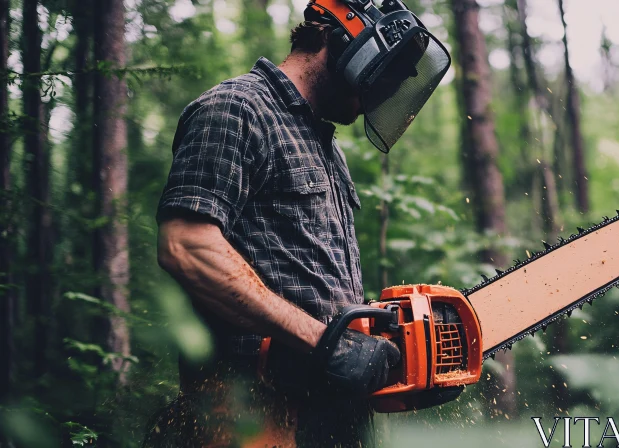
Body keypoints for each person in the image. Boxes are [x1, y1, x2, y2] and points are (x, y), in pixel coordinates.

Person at [143, 1, 450, 446]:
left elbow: (310, 277)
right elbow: (186, 245)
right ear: (341, 39)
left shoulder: (325, 145)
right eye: (384, 73)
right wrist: (328, 342)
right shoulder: (237, 109)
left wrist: (371, 337)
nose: (381, 91)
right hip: (252, 409)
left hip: (327, 410)